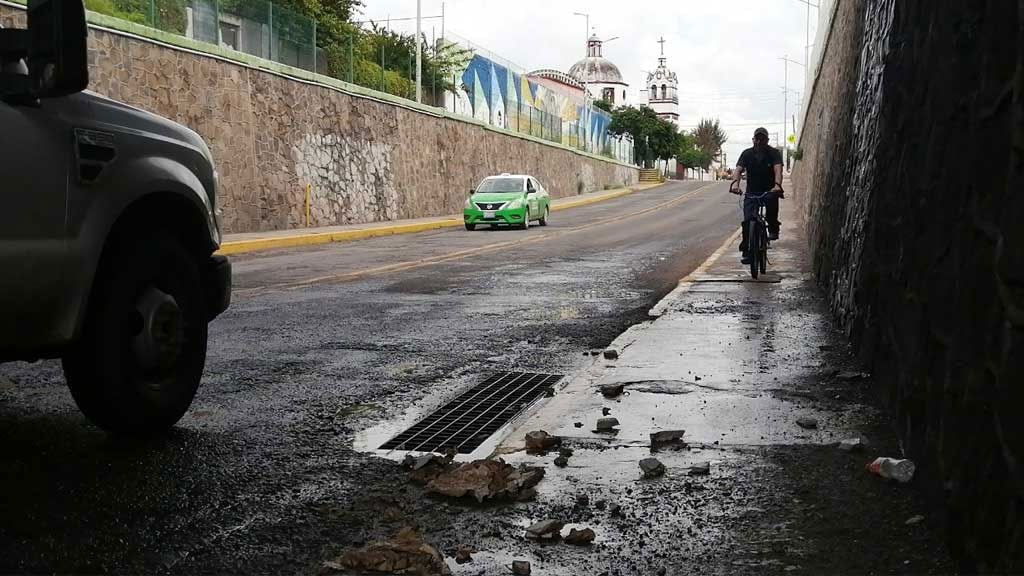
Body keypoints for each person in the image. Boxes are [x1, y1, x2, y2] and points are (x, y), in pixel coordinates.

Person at [729, 127, 784, 264]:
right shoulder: (746, 154)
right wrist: (735, 184)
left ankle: (773, 227)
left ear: (767, 140)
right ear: (753, 139)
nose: (759, 141)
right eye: (757, 139)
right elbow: (738, 170)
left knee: (771, 210)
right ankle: (747, 251)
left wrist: (777, 185)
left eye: (762, 139)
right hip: (752, 192)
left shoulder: (774, 153)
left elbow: (778, 170)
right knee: (748, 221)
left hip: (769, 190)